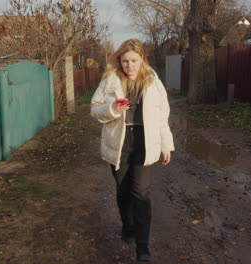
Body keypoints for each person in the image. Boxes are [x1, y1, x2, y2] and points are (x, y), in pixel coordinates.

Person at [90, 39, 174, 262]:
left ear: (142, 59)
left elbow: (162, 116)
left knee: (141, 193)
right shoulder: (110, 80)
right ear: (120, 60)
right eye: (125, 61)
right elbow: (94, 111)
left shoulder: (154, 82)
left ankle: (142, 247)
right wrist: (112, 108)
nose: (129, 66)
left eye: (134, 60)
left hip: (145, 144)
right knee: (123, 191)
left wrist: (166, 145)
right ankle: (127, 225)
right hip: (119, 144)